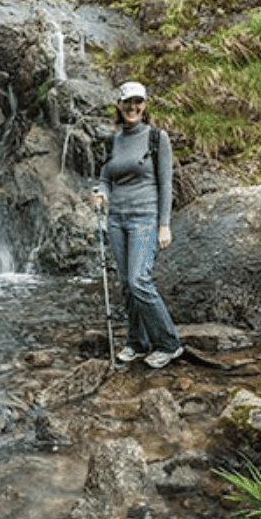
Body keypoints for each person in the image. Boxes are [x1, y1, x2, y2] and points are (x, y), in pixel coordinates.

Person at [92, 81, 183, 369]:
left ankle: (169, 344)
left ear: (144, 105)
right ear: (119, 105)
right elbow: (105, 177)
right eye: (127, 102)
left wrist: (164, 224)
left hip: (145, 218)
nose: (133, 107)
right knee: (127, 285)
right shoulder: (112, 141)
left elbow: (166, 184)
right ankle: (137, 342)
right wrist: (101, 192)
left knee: (139, 281)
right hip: (116, 219)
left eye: (138, 102)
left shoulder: (157, 138)